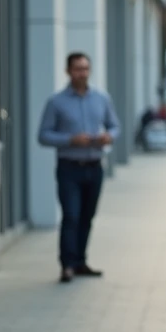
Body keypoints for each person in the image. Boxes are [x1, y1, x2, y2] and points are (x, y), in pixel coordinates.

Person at [37, 52, 120, 284]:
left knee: (87, 216)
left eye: (85, 68)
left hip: (95, 167)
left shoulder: (101, 98)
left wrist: (108, 137)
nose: (81, 73)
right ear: (68, 71)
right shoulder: (56, 102)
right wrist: (70, 140)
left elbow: (115, 126)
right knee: (71, 216)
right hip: (69, 168)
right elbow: (43, 135)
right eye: (77, 69)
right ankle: (67, 265)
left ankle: (81, 261)